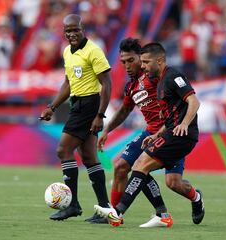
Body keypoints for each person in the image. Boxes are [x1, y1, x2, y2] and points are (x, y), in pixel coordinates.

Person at [94, 42, 205, 227]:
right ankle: (116, 213)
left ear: (142, 58)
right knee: (123, 166)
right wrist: (107, 130)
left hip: (173, 133)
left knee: (173, 182)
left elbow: (191, 100)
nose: (128, 65)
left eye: (132, 60)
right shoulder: (131, 87)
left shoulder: (158, 77)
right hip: (154, 132)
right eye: (123, 62)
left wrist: (183, 124)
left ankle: (195, 198)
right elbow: (124, 110)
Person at [40, 14, 112, 222]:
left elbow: (106, 84)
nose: (72, 34)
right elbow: (68, 83)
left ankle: (72, 205)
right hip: (77, 104)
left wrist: (100, 114)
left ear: (83, 29)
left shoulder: (93, 51)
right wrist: (52, 106)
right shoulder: (66, 52)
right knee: (89, 156)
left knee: (63, 150)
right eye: (68, 31)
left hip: (89, 105)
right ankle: (106, 210)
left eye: (75, 30)